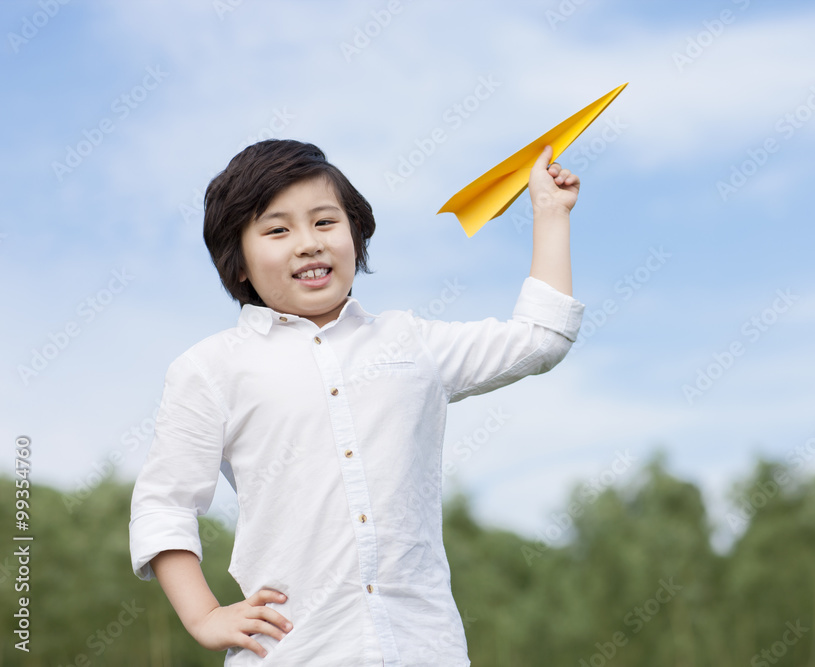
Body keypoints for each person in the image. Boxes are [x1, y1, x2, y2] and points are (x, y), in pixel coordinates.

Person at [129, 138, 585, 665]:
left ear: (356, 235)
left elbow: (539, 339)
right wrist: (205, 616)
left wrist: (550, 212)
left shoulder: (411, 343)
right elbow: (165, 504)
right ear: (238, 264)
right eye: (277, 230)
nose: (308, 243)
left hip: (424, 645)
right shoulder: (210, 369)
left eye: (325, 222)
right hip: (296, 650)